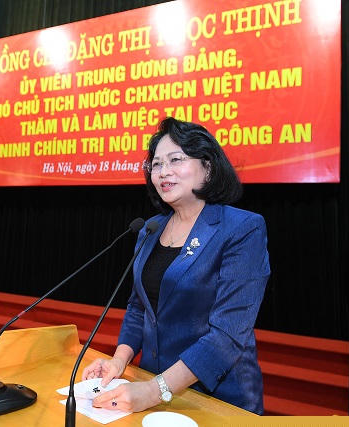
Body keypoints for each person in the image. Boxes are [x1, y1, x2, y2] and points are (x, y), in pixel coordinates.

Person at [82, 117, 270, 414]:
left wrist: (155, 390)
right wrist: (118, 361)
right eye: (156, 164)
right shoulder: (150, 229)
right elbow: (139, 308)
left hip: (217, 398)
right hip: (150, 385)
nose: (163, 172)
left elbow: (227, 335)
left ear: (207, 167)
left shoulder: (241, 228)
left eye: (176, 160)